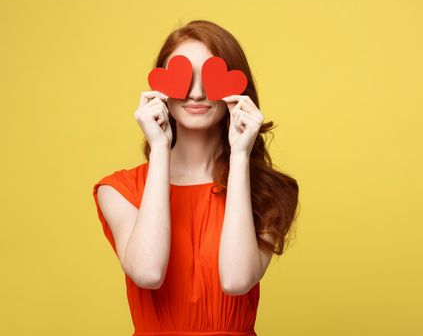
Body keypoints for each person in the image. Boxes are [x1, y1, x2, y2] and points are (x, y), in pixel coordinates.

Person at [92, 19, 299, 336]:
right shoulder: (119, 190)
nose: (197, 92)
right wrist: (160, 147)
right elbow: (147, 273)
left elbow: (236, 280)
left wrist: (241, 155)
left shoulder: (269, 192)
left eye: (211, 77)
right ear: (160, 88)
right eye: (183, 77)